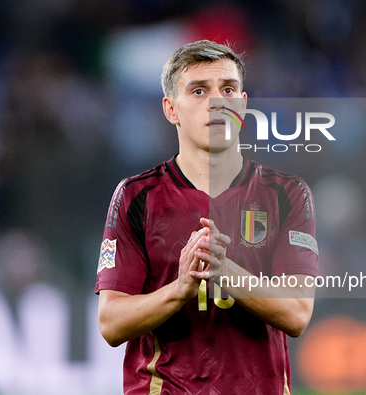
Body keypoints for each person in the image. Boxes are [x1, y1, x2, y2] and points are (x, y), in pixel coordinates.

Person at [95, 40, 319, 394]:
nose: (216, 102)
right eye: (198, 91)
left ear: (242, 106)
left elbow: (297, 314)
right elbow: (110, 323)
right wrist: (180, 289)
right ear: (171, 110)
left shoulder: (286, 193)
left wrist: (223, 270)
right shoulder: (137, 197)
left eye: (227, 89)